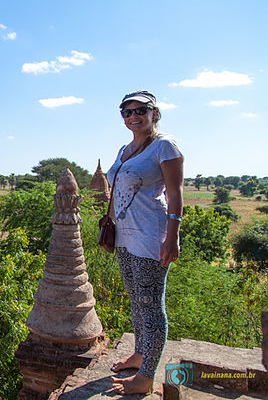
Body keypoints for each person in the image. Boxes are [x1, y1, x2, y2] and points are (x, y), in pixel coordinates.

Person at [107, 90, 184, 395]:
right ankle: (140, 354)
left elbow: (176, 193)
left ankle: (146, 376)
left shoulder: (165, 146)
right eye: (126, 112)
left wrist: (172, 236)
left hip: (152, 235)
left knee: (151, 305)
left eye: (141, 110)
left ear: (155, 113)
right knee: (136, 300)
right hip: (125, 236)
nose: (133, 116)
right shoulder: (124, 149)